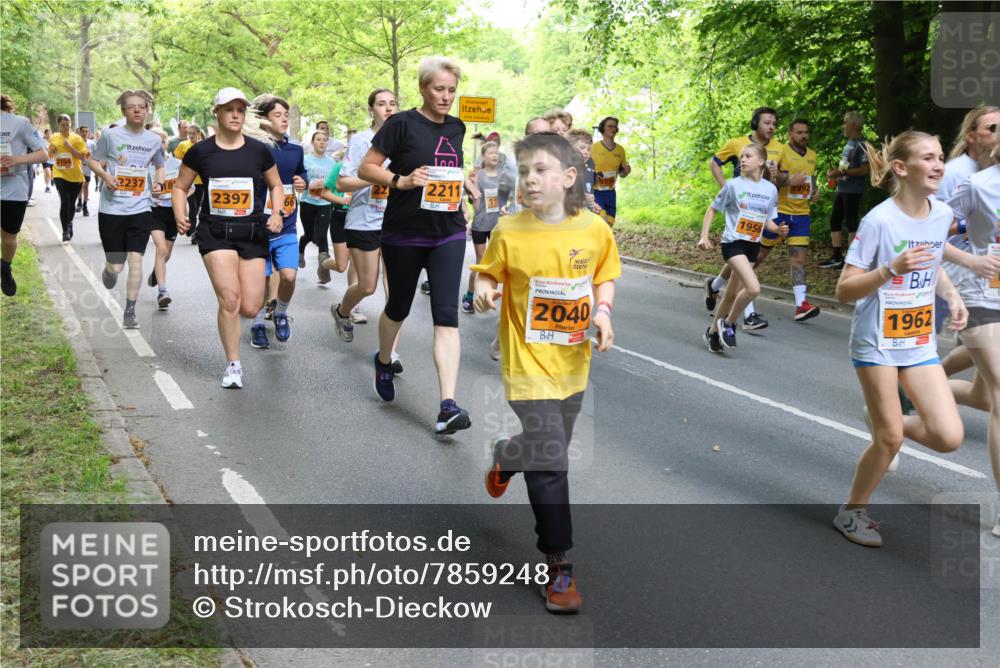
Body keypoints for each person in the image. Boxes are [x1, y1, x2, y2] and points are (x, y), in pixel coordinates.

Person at [472, 132, 620, 613]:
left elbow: (604, 274)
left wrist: (602, 312)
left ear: (569, 177)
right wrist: (485, 288)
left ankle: (505, 455)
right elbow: (488, 270)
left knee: (538, 448)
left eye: (541, 170)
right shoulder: (509, 230)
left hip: (573, 364)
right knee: (552, 458)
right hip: (526, 362)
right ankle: (558, 564)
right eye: (525, 171)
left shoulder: (594, 230)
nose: (530, 179)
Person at [832, 131, 967, 548]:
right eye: (929, 158)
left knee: (949, 436)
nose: (939, 165)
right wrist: (890, 269)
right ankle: (852, 511)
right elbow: (844, 289)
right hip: (877, 343)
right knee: (889, 441)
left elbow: (934, 262)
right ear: (901, 168)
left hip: (918, 340)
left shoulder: (941, 214)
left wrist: (951, 295)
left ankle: (886, 422)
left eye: (941, 157)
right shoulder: (879, 221)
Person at [357, 56, 480, 432]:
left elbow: (448, 169)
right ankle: (383, 358)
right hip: (404, 231)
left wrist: (464, 187)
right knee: (399, 306)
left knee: (447, 316)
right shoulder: (400, 123)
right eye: (439, 89)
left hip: (449, 231)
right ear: (424, 89)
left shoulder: (458, 128)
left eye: (451, 91)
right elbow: (367, 168)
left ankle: (447, 406)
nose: (446, 97)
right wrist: (401, 181)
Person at [171, 87, 285, 389]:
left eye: (240, 110)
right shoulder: (201, 152)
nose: (235, 114)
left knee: (249, 306)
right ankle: (233, 365)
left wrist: (276, 213)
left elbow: (276, 185)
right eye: (229, 109)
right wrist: (179, 214)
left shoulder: (259, 150)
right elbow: (180, 187)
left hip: (252, 232)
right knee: (230, 300)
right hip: (215, 233)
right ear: (217, 113)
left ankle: (238, 332)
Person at [942, 135, 1000, 539]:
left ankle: (902, 394)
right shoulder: (979, 185)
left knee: (982, 397)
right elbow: (928, 230)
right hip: (984, 297)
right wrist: (970, 259)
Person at [329, 87, 403, 364]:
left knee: (396, 292)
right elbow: (342, 183)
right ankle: (342, 311)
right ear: (370, 110)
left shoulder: (405, 140)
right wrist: (379, 177)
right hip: (363, 220)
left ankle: (391, 352)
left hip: (397, 222)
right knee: (368, 286)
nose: (388, 108)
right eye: (382, 104)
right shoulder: (361, 141)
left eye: (392, 103)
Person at [86, 90, 166, 329]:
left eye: (141, 106)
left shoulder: (153, 140)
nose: (137, 110)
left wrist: (159, 183)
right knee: (117, 265)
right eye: (132, 107)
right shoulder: (110, 136)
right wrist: (105, 175)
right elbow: (91, 160)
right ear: (124, 111)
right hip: (112, 209)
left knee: (136, 261)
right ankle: (110, 269)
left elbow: (160, 166)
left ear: (147, 110)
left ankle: (130, 310)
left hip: (140, 208)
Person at [698, 143, 787, 353]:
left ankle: (711, 333)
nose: (742, 160)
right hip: (733, 243)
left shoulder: (770, 189)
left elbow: (768, 221)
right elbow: (712, 210)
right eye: (741, 157)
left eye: (747, 156)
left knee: (730, 295)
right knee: (753, 289)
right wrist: (704, 236)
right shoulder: (732, 185)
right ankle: (728, 323)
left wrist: (779, 229)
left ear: (761, 161)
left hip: (752, 246)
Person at [705, 106, 783, 330]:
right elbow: (715, 163)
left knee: (734, 287)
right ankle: (742, 319)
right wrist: (727, 190)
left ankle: (713, 325)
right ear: (756, 123)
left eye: (774, 124)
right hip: (735, 230)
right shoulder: (737, 143)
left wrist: (782, 179)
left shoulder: (779, 148)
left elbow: (783, 178)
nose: (771, 127)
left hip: (755, 229)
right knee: (750, 282)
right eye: (767, 122)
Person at [248, 94, 307, 348]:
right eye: (277, 115)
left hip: (288, 223)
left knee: (289, 277)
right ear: (263, 119)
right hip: (258, 224)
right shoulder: (254, 148)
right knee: (261, 280)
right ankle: (257, 323)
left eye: (286, 115)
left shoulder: (295, 149)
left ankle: (281, 312)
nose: (284, 119)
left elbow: (300, 172)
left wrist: (301, 180)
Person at [759, 118, 821, 321]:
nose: (804, 136)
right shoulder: (781, 151)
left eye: (806, 132)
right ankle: (733, 281)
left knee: (799, 259)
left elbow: (809, 180)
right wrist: (788, 180)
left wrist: (814, 192)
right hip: (779, 213)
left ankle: (801, 305)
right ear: (790, 135)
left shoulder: (812, 155)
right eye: (799, 132)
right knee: (758, 256)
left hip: (801, 215)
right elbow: (771, 177)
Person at [1, 93, 48, 296]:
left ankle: (5, 267)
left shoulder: (20, 123)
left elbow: (43, 153)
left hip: (14, 190)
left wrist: (16, 159)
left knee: (9, 238)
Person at [462, 141, 513, 313]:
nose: (494, 155)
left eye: (496, 152)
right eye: (490, 153)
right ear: (483, 157)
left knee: (503, 263)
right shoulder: (478, 176)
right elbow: (475, 206)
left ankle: (502, 300)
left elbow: (514, 197)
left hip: (499, 225)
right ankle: (469, 296)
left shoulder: (505, 176)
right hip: (481, 224)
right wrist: (474, 184)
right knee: (481, 262)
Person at [819, 111, 871, 269]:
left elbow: (864, 170)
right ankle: (836, 256)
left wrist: (842, 172)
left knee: (851, 223)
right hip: (842, 187)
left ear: (854, 125)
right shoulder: (850, 142)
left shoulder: (863, 144)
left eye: (845, 123)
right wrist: (836, 172)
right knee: (835, 220)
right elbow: (846, 165)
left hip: (853, 190)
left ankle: (851, 259)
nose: (844, 126)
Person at [147, 128, 185, 310]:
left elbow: (188, 188)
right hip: (154, 211)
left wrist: (183, 210)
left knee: (166, 254)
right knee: (161, 249)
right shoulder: (145, 164)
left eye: (161, 141)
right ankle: (163, 291)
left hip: (172, 212)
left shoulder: (177, 164)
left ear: (166, 143)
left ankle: (156, 271)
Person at [300, 129, 337, 283]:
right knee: (309, 234)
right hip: (308, 202)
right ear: (313, 142)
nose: (322, 142)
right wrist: (309, 184)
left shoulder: (332, 162)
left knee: (322, 235)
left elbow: (335, 183)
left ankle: (324, 271)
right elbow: (299, 180)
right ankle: (300, 252)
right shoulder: (305, 160)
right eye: (318, 139)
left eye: (324, 139)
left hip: (324, 203)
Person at [48, 114, 89, 242]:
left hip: (75, 176)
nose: (65, 127)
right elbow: (50, 154)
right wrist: (52, 151)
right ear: (58, 125)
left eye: (68, 125)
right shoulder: (54, 137)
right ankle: (65, 230)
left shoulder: (77, 138)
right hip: (60, 173)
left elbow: (83, 157)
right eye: (63, 125)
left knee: (71, 204)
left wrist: (70, 148)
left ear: (70, 124)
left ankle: (69, 222)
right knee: (65, 201)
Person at [590, 116, 631, 226]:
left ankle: (600, 243)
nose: (613, 129)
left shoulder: (620, 150)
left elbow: (622, 174)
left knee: (609, 225)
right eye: (610, 126)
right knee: (602, 222)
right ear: (603, 128)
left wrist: (626, 171)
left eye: (615, 127)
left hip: (611, 193)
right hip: (596, 192)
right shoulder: (593, 148)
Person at [174, 123, 205, 243]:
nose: (191, 136)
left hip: (201, 181)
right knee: (193, 207)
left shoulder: (203, 145)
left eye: (193, 133)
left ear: (198, 134)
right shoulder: (183, 145)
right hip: (189, 182)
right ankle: (192, 231)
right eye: (189, 133)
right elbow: (177, 161)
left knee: (198, 208)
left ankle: (194, 229)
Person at [76, 126, 94, 217]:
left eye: (86, 131)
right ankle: (79, 202)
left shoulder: (92, 144)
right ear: (80, 132)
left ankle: (85, 205)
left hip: (87, 168)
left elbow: (95, 155)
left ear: (89, 133)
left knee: (86, 186)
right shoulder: (77, 143)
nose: (84, 133)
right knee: (80, 185)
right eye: (83, 131)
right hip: (78, 167)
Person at [41, 128, 53, 193]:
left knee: (51, 174)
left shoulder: (53, 141)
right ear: (44, 134)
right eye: (47, 133)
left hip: (53, 160)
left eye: (49, 133)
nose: (48, 135)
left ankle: (52, 179)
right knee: (48, 173)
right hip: (45, 158)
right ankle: (47, 186)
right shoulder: (42, 141)